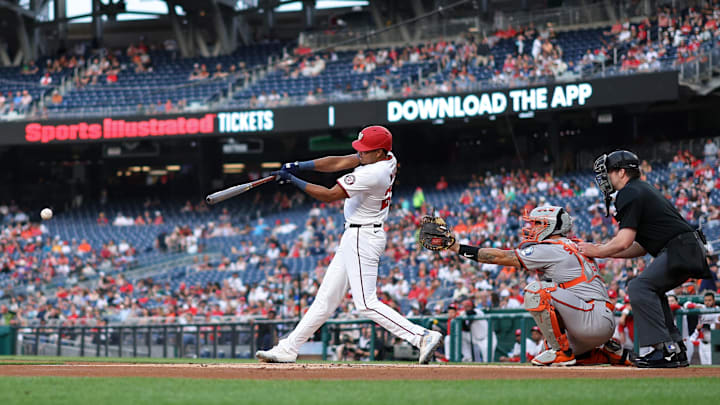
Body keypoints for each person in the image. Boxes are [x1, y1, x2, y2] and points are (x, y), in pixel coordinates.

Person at [255, 125, 442, 364]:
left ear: (379, 152)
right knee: (325, 300)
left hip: (362, 237)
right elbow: (339, 162)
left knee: (366, 304)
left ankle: (421, 336)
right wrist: (301, 165)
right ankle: (288, 348)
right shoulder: (387, 157)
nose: (360, 154)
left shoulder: (373, 174)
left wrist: (294, 180)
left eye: (366, 151)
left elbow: (329, 194)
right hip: (355, 235)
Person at [423, 205, 632, 366]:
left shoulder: (552, 248)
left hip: (590, 318)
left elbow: (500, 257)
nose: (531, 228)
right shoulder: (573, 244)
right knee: (545, 346)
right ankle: (605, 351)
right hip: (595, 317)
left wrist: (457, 247)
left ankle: (564, 353)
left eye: (537, 224)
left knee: (536, 291)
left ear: (549, 226)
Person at [579, 150, 712, 368]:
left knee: (639, 287)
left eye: (610, 172)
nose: (607, 178)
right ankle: (675, 350)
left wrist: (596, 251)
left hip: (680, 248)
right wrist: (603, 250)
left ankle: (663, 349)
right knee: (651, 289)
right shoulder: (640, 189)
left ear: (621, 172)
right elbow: (638, 247)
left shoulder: (629, 193)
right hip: (686, 247)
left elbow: (623, 241)